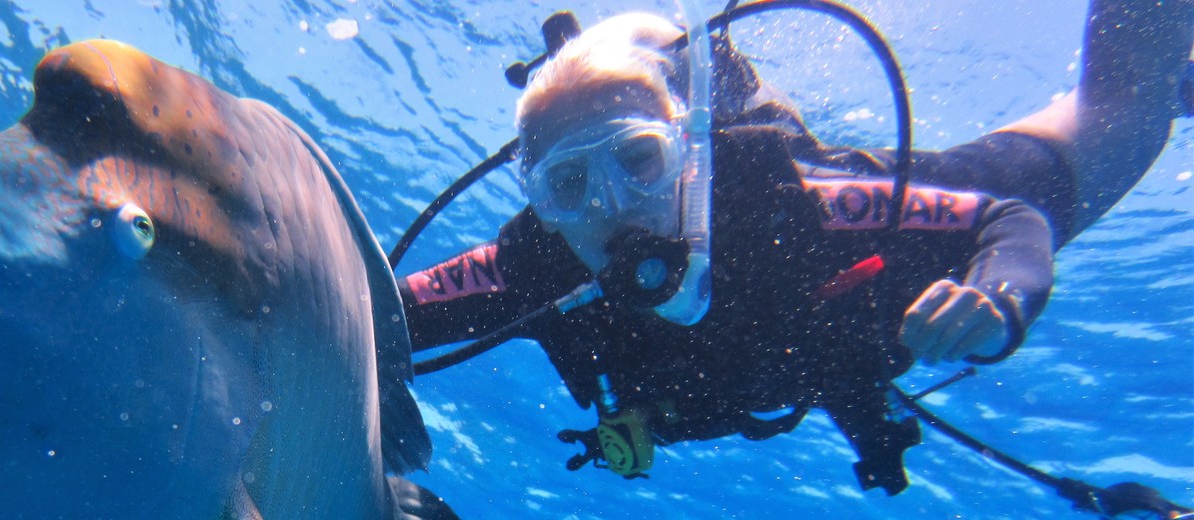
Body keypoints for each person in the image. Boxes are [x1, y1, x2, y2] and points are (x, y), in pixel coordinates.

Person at [398, 1, 1192, 495]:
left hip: (897, 242)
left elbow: (1005, 220)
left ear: (689, 153)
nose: (609, 205)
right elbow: (379, 312)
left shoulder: (801, 208)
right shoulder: (533, 272)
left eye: (637, 160)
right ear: (538, 205)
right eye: (567, 185)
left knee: (1124, 115)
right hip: (811, 365)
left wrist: (999, 292)